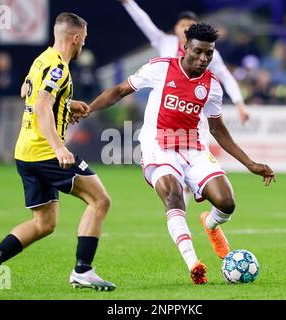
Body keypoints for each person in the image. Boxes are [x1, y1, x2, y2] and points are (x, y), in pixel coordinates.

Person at [78, 23, 275, 284]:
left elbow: (218, 129)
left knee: (227, 203)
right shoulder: (160, 67)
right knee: (173, 195)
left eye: (209, 54)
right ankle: (194, 263)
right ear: (185, 49)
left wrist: (250, 163)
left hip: (194, 149)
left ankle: (211, 224)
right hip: (158, 147)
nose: (204, 58)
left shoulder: (212, 86)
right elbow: (118, 91)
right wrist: (88, 109)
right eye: (198, 52)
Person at [0, 12, 116, 292]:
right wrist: (59, 146)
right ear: (75, 38)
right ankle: (83, 271)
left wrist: (66, 104)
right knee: (100, 200)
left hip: (25, 153)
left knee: (44, 223)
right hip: (45, 153)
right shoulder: (58, 68)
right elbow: (40, 106)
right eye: (83, 39)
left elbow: (26, 93)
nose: (83, 45)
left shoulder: (42, 60)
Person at [119, 0, 250, 125]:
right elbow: (144, 22)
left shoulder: (209, 52)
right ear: (176, 28)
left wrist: (240, 104)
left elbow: (225, 77)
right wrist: (128, 3)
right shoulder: (165, 42)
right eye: (183, 25)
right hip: (166, 105)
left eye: (191, 26)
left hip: (191, 108)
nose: (187, 29)